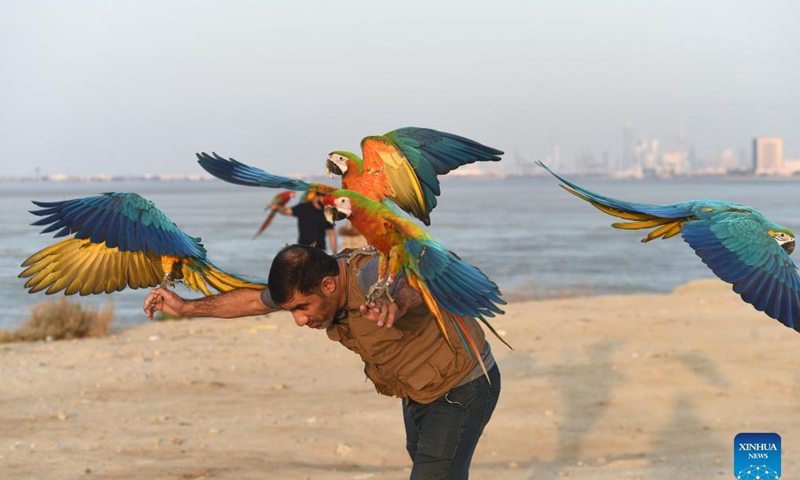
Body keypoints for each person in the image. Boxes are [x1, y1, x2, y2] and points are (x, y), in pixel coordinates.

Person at [144, 244, 501, 480]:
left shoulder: (371, 275)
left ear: (329, 285)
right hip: (419, 391)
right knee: (433, 464)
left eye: (302, 308)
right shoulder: (308, 283)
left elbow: (421, 273)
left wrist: (401, 302)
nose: (300, 320)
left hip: (462, 386)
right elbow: (254, 302)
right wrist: (188, 308)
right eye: (291, 311)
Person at [270, 193, 337, 254]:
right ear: (316, 196)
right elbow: (287, 211)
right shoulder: (303, 207)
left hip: (320, 250)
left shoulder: (328, 213)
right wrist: (277, 208)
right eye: (323, 196)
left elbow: (331, 234)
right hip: (302, 250)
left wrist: (334, 253)